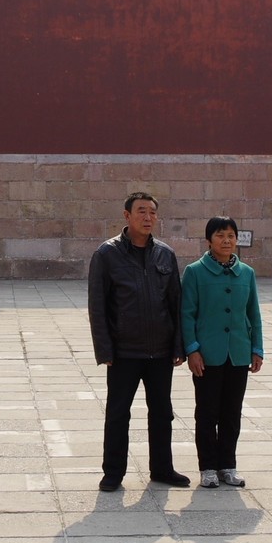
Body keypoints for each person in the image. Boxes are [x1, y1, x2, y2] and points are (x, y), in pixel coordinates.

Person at [88, 192, 188, 491]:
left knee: (162, 412)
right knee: (118, 413)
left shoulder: (165, 254)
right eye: (141, 211)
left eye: (152, 212)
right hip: (123, 352)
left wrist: (178, 346)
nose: (148, 217)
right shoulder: (107, 254)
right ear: (126, 216)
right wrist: (104, 349)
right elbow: (98, 305)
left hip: (160, 351)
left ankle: (162, 469)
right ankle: (113, 472)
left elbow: (175, 302)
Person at [181, 216, 264, 489]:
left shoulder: (247, 273)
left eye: (231, 235)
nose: (226, 241)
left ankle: (228, 465)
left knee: (232, 412)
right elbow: (187, 313)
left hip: (238, 354)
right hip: (208, 355)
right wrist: (192, 349)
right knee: (207, 413)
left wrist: (257, 349)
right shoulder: (195, 272)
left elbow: (254, 313)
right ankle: (207, 467)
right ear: (209, 240)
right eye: (220, 235)